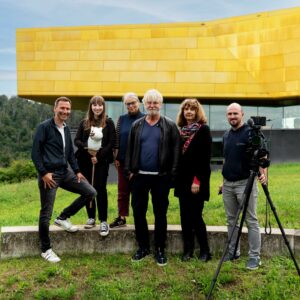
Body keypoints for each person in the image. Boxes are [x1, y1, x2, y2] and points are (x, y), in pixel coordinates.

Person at [31, 96, 97, 263]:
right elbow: (35, 153)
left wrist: (77, 171)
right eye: (62, 108)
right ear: (55, 109)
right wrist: (44, 173)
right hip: (49, 176)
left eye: (68, 109)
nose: (65, 111)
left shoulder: (66, 129)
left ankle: (63, 218)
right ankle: (45, 250)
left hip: (65, 172)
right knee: (45, 213)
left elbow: (69, 154)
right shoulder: (44, 127)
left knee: (90, 192)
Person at [125, 89, 181, 266]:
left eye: (155, 102)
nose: (152, 105)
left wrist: (172, 175)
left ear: (161, 104)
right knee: (138, 213)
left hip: (161, 177)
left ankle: (160, 249)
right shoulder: (137, 125)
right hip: (139, 177)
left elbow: (176, 152)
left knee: (160, 214)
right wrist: (129, 171)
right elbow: (129, 150)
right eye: (149, 102)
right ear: (144, 104)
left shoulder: (170, 125)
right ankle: (143, 247)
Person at [221, 102, 267, 270]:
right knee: (231, 220)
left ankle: (255, 256)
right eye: (229, 114)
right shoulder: (226, 135)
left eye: (235, 113)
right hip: (228, 184)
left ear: (242, 114)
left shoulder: (250, 133)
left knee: (251, 220)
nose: (232, 116)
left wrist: (264, 176)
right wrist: (222, 182)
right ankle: (233, 252)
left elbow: (261, 156)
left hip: (245, 183)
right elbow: (227, 159)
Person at [174, 98, 212, 262]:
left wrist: (197, 181)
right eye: (186, 109)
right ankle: (187, 250)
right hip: (182, 180)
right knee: (184, 217)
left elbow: (205, 159)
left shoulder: (203, 130)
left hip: (197, 180)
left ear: (197, 112)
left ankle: (205, 251)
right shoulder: (181, 131)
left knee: (196, 216)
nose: (189, 112)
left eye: (192, 109)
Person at [74, 95, 116, 236]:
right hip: (85, 161)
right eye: (94, 105)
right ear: (91, 107)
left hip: (101, 161)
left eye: (100, 105)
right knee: (88, 188)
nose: (97, 107)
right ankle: (91, 217)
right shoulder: (84, 123)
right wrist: (88, 149)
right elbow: (77, 140)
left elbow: (111, 143)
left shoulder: (108, 123)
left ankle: (103, 220)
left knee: (100, 189)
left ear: (103, 107)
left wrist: (98, 156)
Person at [110, 92, 144, 228]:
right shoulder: (122, 119)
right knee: (122, 190)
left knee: (137, 191)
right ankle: (122, 217)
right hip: (123, 161)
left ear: (139, 103)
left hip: (139, 162)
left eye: (133, 102)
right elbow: (117, 140)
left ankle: (139, 217)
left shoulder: (145, 118)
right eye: (128, 103)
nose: (131, 106)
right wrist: (116, 157)